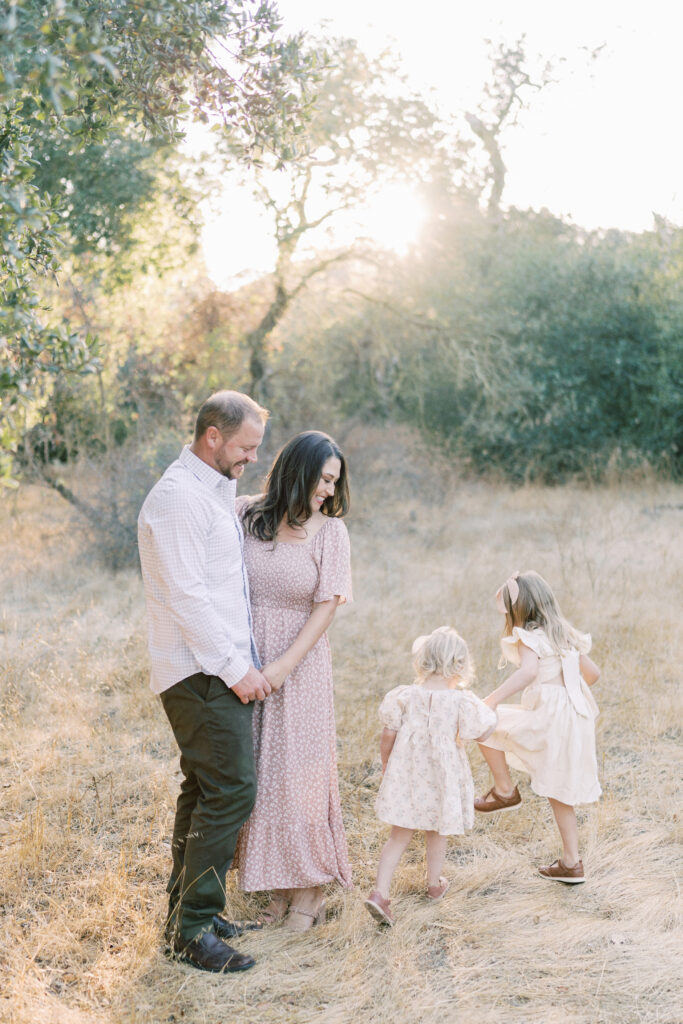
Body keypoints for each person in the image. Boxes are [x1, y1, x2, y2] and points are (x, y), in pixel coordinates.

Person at [137, 390, 272, 973]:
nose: (250, 459)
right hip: (201, 672)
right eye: (244, 448)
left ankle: (187, 914)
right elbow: (187, 597)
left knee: (203, 789)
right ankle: (191, 931)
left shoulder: (211, 492)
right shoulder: (174, 499)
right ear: (212, 436)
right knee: (231, 790)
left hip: (210, 668)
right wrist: (236, 667)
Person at [233, 430, 353, 932]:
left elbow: (327, 607)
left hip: (298, 666)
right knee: (259, 778)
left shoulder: (330, 533)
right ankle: (280, 890)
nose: (328, 489)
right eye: (324, 478)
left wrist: (282, 667)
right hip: (242, 659)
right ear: (298, 470)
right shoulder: (245, 513)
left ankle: (310, 892)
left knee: (299, 776)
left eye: (334, 482)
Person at [475, 570, 601, 884]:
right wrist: (565, 686)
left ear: (518, 609)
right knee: (559, 792)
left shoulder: (529, 637)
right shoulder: (564, 634)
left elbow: (528, 673)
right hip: (576, 718)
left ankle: (504, 790)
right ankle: (571, 863)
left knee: (485, 723)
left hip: (550, 718)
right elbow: (594, 674)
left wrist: (490, 699)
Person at [364, 627, 497, 927]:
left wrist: (387, 766)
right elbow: (484, 730)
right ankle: (434, 884)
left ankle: (379, 893)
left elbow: (388, 734)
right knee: (438, 830)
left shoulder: (405, 696)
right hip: (442, 781)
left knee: (398, 836)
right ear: (459, 665)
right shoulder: (460, 701)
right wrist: (491, 709)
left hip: (409, 776)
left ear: (422, 662)